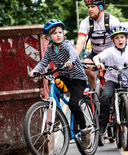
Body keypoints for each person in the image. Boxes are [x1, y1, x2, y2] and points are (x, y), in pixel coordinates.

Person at [29, 19, 91, 149]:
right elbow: (43, 63)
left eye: (60, 32)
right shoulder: (50, 50)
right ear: (48, 37)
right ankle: (57, 117)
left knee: (74, 104)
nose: (58, 35)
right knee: (54, 85)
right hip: (64, 77)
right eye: (54, 33)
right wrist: (35, 70)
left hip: (78, 79)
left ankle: (85, 130)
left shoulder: (66, 45)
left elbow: (73, 53)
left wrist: (70, 61)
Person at [93, 26, 128, 147]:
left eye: (122, 37)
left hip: (127, 81)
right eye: (117, 38)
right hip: (112, 80)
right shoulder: (109, 51)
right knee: (105, 96)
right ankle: (102, 125)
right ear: (113, 40)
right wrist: (98, 63)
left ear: (126, 38)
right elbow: (96, 57)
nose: (120, 40)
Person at [76, 0, 120, 89]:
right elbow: (81, 41)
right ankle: (95, 91)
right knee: (84, 67)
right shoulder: (85, 22)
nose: (89, 9)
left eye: (92, 6)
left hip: (112, 54)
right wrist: (74, 58)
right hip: (96, 53)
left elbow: (120, 40)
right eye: (88, 7)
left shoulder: (113, 20)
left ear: (100, 7)